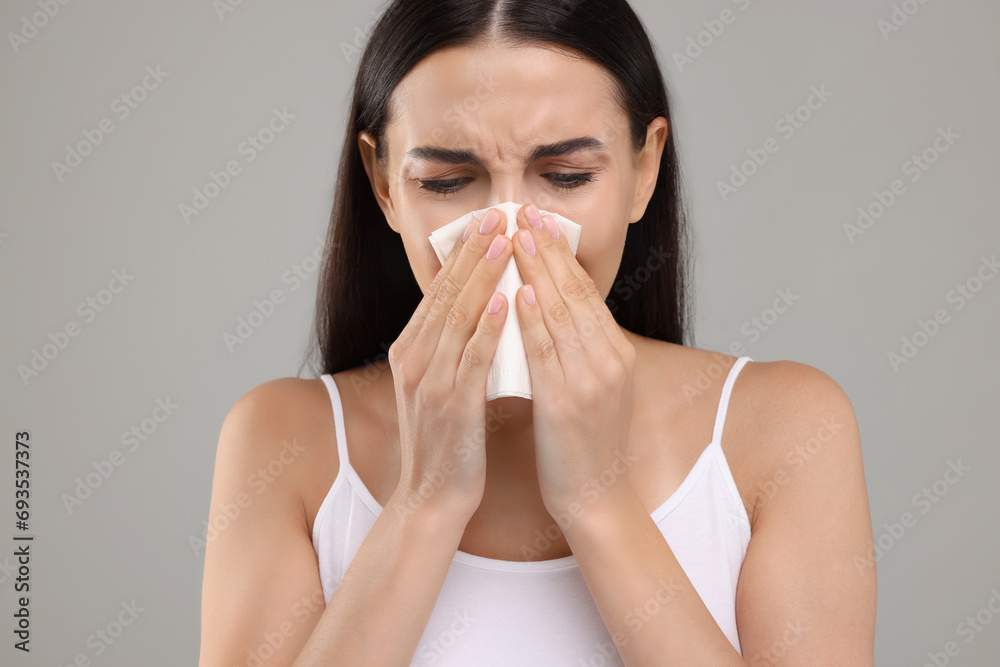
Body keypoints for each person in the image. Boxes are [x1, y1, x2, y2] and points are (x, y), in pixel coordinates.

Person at [199, 1, 877, 664]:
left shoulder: (783, 429)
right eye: (446, 180)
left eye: (565, 176)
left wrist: (598, 500)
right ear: (382, 183)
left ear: (646, 168)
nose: (511, 230)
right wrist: (425, 504)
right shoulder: (283, 440)